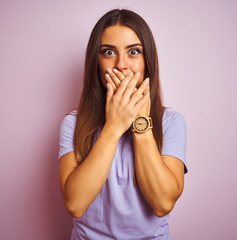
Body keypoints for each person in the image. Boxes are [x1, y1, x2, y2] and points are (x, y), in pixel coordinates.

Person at [58, 8, 188, 240]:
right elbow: (75, 204)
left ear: (147, 60)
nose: (121, 65)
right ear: (96, 63)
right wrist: (114, 127)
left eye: (134, 52)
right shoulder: (73, 123)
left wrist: (140, 123)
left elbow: (163, 203)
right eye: (108, 52)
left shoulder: (171, 122)